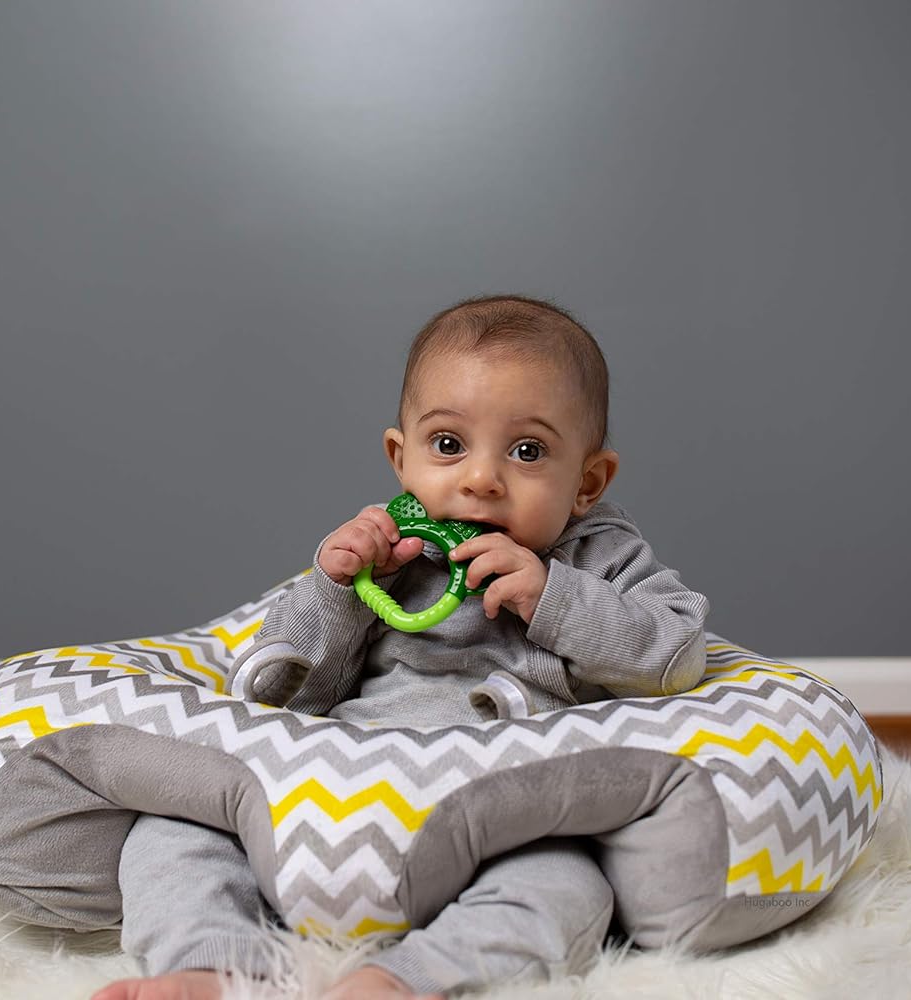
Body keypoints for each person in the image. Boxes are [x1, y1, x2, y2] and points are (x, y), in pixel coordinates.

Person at [93, 295, 711, 1000]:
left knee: (567, 883)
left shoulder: (600, 556)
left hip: (495, 811)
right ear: (401, 456)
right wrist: (333, 589)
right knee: (173, 830)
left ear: (587, 483)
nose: (480, 477)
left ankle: (404, 982)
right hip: (342, 785)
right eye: (448, 445)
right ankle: (209, 964)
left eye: (528, 451)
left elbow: (677, 651)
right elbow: (290, 690)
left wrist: (556, 598)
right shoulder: (385, 551)